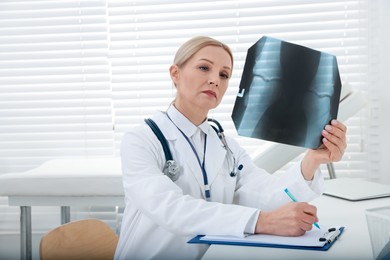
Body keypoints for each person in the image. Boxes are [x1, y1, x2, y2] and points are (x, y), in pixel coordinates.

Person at [114, 36, 347, 260]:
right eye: (204, 68)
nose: (215, 80)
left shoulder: (225, 146)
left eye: (224, 75)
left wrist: (313, 160)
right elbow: (171, 208)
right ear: (175, 74)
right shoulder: (141, 140)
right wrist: (262, 221)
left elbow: (267, 193)